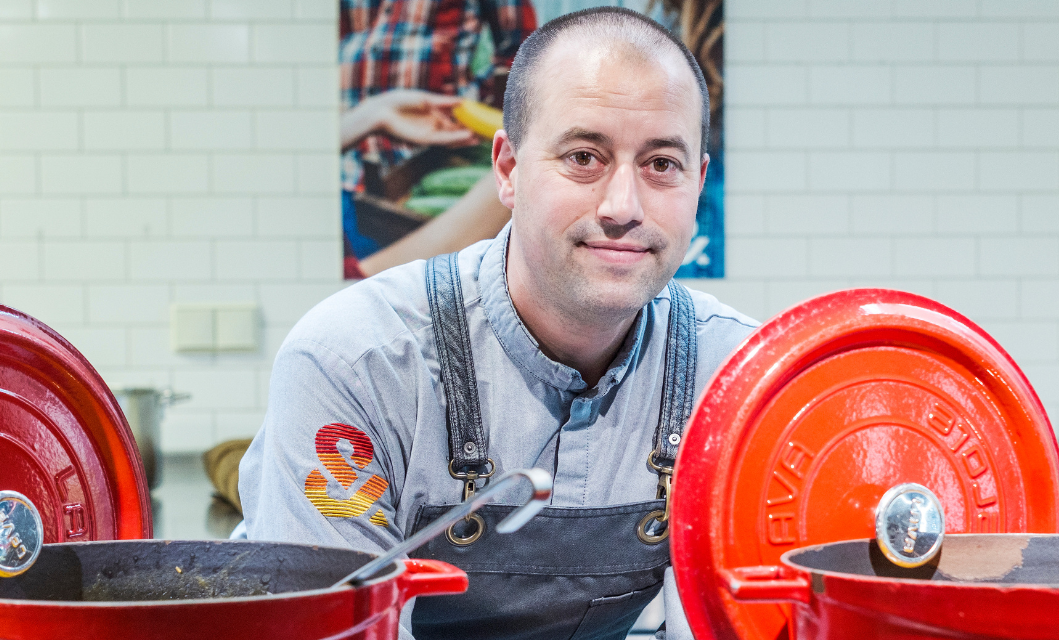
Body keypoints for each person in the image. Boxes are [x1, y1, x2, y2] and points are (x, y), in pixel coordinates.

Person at [235, 7, 755, 639]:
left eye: (662, 164)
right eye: (584, 157)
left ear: (698, 182)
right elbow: (326, 628)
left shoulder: (738, 379)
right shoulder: (356, 363)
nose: (624, 207)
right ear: (508, 170)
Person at [340, 0, 536, 279]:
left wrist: (376, 112)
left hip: (428, 157)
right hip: (346, 177)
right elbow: (368, 284)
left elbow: (525, 57)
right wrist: (528, 166)